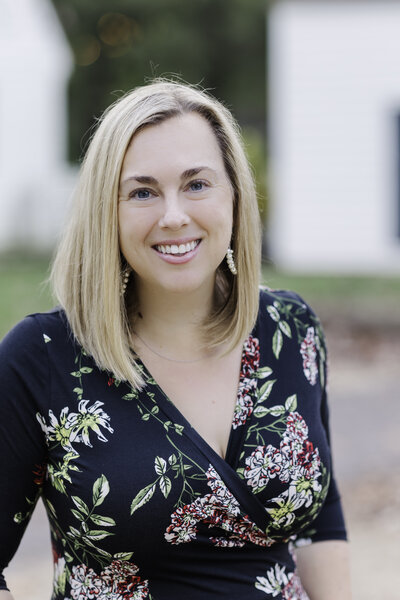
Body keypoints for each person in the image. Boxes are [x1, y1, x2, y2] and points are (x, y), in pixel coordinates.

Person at [0, 80, 351, 599]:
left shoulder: (290, 328)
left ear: (233, 193)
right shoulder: (44, 358)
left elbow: (321, 523)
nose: (173, 216)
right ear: (107, 213)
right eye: (142, 192)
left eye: (196, 184)